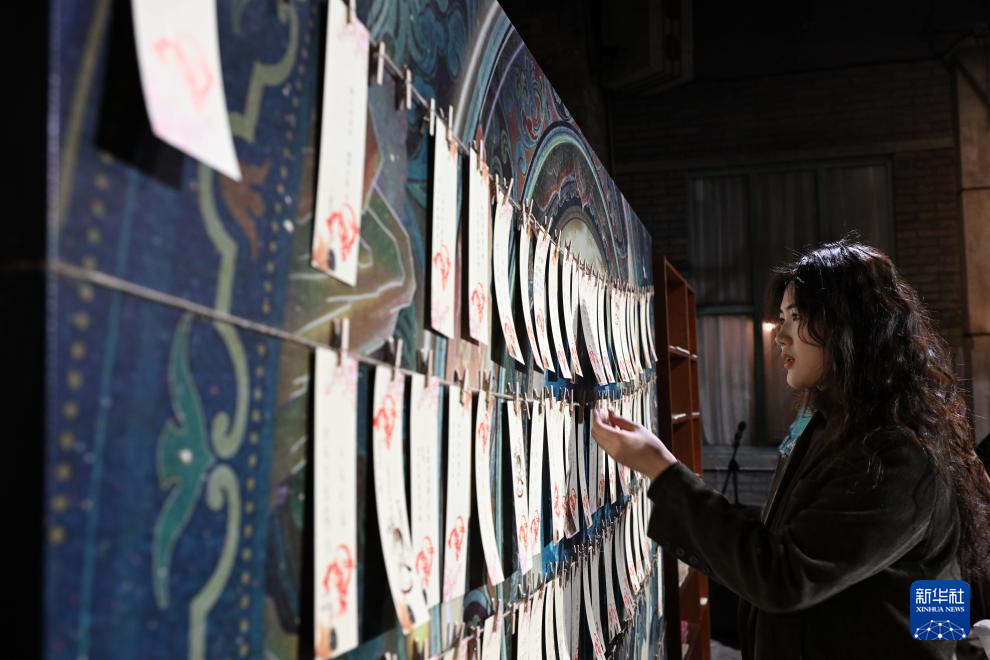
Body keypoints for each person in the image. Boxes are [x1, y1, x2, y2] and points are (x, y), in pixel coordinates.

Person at [592, 239, 990, 659]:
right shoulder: (832, 422)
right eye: (780, 319)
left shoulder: (898, 453)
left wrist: (661, 469)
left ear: (848, 326)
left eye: (796, 318)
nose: (779, 336)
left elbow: (783, 574)